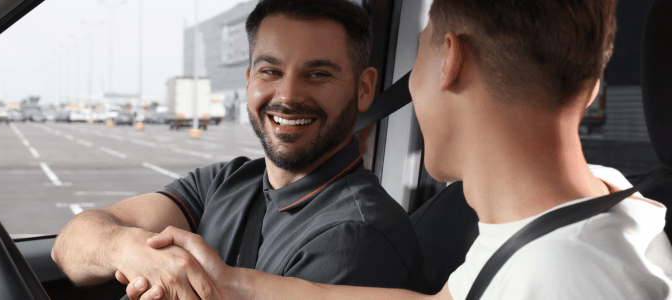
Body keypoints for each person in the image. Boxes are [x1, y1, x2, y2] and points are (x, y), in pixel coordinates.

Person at [123, 0, 672, 299]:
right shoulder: (585, 204)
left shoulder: (564, 276)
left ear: (448, 59)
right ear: (592, 87)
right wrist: (233, 284)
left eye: (420, 46)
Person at [51, 0, 424, 298]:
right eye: (270, 71)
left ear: (363, 88)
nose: (288, 96)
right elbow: (69, 246)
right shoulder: (223, 181)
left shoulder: (356, 237)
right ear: (249, 80)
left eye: (318, 74)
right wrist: (130, 250)